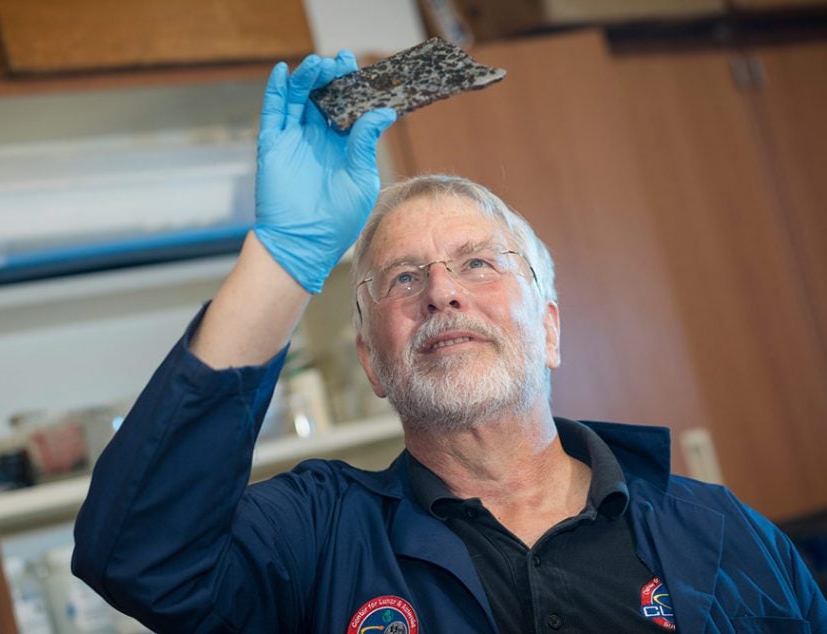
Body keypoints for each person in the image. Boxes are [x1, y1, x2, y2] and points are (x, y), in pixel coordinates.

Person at [72, 52, 826, 633]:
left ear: (551, 327)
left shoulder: (715, 530)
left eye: (477, 263)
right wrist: (282, 255)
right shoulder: (318, 539)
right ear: (372, 361)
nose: (442, 291)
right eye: (403, 279)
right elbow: (139, 556)